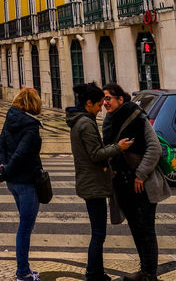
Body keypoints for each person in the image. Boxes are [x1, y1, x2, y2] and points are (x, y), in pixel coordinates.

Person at [102, 82, 171, 281]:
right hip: (123, 185)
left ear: (120, 99)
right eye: (103, 98)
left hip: (143, 184)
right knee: (135, 228)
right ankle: (144, 270)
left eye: (108, 98)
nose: (105, 102)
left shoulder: (137, 117)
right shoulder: (108, 120)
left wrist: (140, 174)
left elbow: (154, 149)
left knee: (146, 230)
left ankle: (150, 274)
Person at [66, 82, 131, 281]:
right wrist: (118, 147)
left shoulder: (83, 120)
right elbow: (95, 154)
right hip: (92, 184)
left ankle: (96, 272)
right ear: (88, 103)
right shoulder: (85, 123)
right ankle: (94, 273)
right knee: (98, 233)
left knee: (98, 232)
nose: (101, 106)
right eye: (98, 104)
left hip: (90, 182)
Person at [0, 87, 43, 281]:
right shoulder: (30, 125)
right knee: (25, 228)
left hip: (13, 182)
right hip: (27, 181)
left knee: (24, 225)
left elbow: (0, 146)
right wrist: (5, 170)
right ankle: (23, 272)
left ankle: (25, 269)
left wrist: (1, 168)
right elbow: (21, 154)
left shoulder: (10, 118)